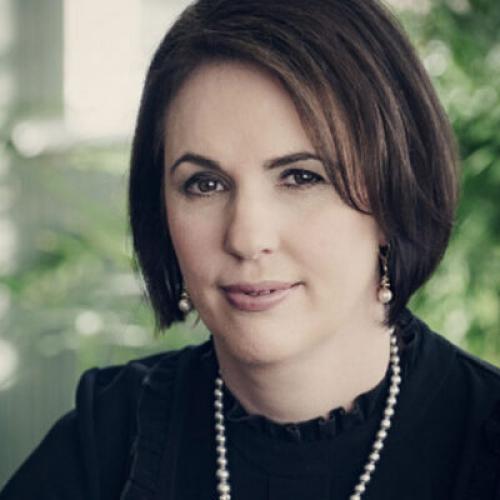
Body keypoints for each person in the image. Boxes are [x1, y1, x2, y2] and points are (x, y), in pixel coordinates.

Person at [1, 0, 499, 499]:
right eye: (205, 184)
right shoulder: (105, 442)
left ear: (395, 194)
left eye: (301, 177)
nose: (245, 238)